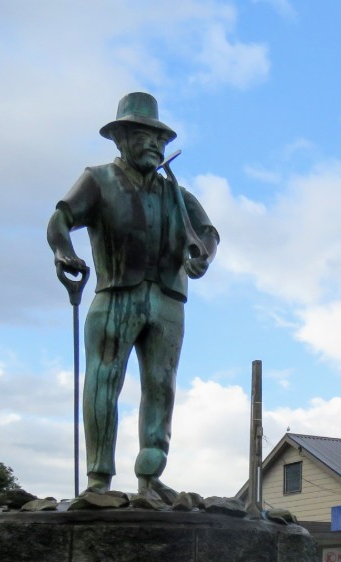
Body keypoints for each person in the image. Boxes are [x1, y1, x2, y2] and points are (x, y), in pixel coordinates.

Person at [47, 92, 219, 502]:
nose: (154, 145)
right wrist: (62, 250)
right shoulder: (98, 179)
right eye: (144, 136)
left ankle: (150, 475)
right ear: (121, 137)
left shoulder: (177, 193)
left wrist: (204, 256)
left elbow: (208, 234)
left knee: (162, 386)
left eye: (159, 139)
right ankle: (98, 480)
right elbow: (61, 218)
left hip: (167, 300)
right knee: (103, 381)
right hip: (115, 296)